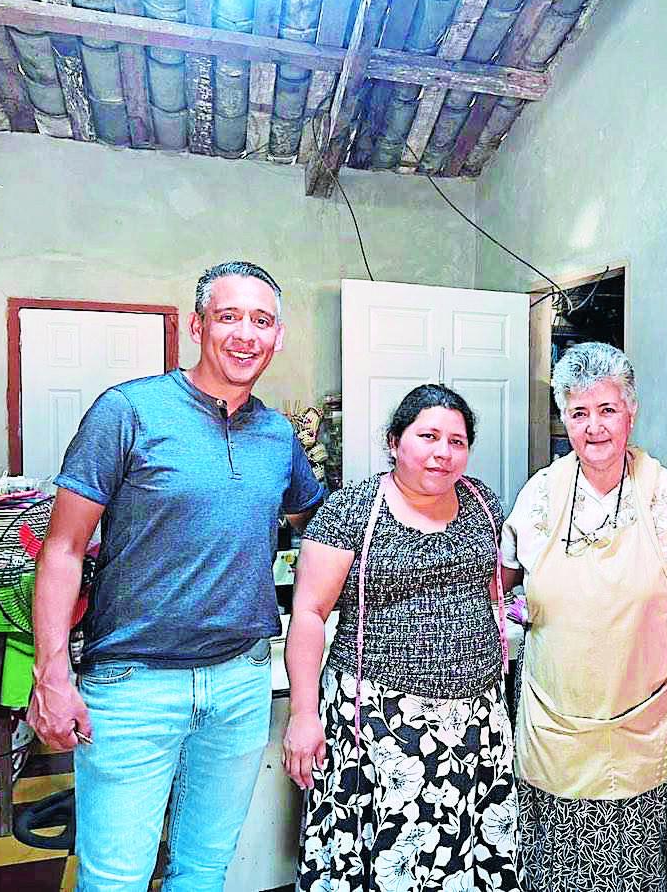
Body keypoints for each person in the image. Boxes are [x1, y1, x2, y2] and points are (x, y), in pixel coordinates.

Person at [27, 261, 325, 892]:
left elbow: (324, 528)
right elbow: (63, 549)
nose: (245, 334)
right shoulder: (129, 411)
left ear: (277, 337)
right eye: (228, 317)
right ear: (197, 326)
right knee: (115, 879)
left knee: (204, 871)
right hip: (133, 685)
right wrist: (51, 674)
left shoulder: (278, 435)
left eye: (262, 321)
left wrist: (419, 494)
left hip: (241, 682)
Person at [284, 384, 520, 892]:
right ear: (395, 441)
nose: (443, 452)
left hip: (476, 722)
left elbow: (493, 586)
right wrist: (303, 714)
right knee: (392, 859)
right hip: (377, 723)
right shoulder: (351, 509)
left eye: (457, 441)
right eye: (428, 436)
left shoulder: (483, 502)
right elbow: (308, 612)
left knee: (466, 856)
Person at [500, 342, 667, 892]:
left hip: (639, 722)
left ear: (631, 412)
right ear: (564, 419)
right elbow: (500, 582)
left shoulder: (664, 495)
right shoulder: (540, 495)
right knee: (553, 874)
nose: (595, 427)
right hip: (554, 721)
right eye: (579, 412)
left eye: (607, 409)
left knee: (633, 874)